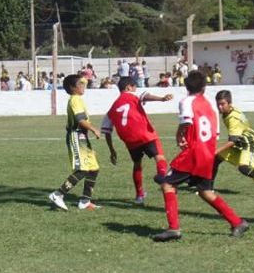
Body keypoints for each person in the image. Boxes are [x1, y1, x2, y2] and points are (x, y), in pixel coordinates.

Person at [151, 71, 249, 242]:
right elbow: (216, 134)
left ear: (186, 86)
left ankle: (173, 229)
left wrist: (179, 137)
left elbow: (186, 122)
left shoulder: (187, 101)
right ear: (204, 87)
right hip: (207, 154)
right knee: (205, 192)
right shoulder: (212, 107)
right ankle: (237, 222)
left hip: (193, 153)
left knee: (167, 185)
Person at [101, 77, 174, 204]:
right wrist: (161, 99)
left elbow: (106, 130)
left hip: (130, 141)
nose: (135, 89)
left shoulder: (112, 108)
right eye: (134, 86)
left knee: (137, 165)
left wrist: (112, 150)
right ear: (128, 87)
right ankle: (162, 176)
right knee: (160, 158)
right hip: (145, 134)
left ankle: (139, 195)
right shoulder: (133, 96)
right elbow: (145, 96)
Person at [48, 75, 101, 211]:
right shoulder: (75, 100)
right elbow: (80, 120)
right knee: (82, 169)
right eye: (80, 84)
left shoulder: (78, 98)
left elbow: (85, 80)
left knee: (93, 168)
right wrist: (94, 129)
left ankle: (85, 201)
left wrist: (84, 77)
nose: (83, 86)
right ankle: (58, 194)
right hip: (76, 135)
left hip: (82, 136)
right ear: (73, 87)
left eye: (83, 84)